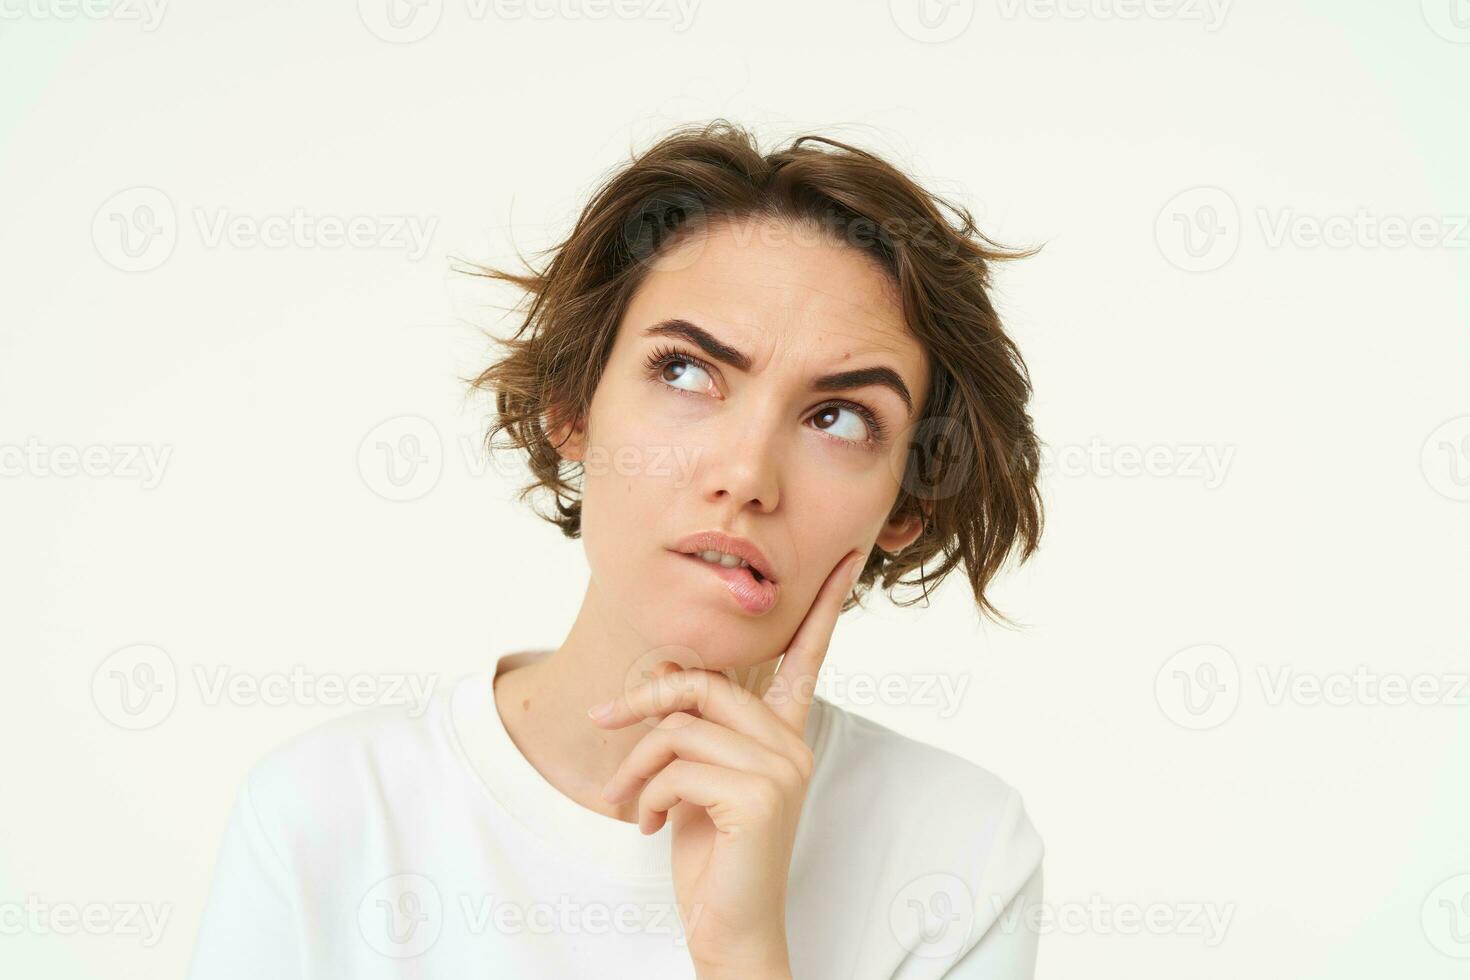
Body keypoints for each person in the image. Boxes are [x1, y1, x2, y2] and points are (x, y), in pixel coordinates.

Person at [187, 119, 1047, 979]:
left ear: (908, 502)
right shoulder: (328, 811)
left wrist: (743, 951)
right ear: (571, 403)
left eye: (840, 419)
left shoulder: (961, 851)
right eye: (685, 371)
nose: (747, 475)